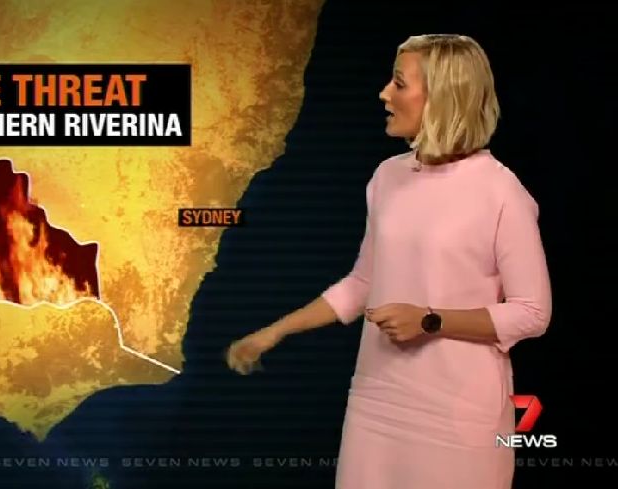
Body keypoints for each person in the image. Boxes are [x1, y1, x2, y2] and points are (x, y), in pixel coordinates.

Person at [225, 34, 551, 488]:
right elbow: (364, 282)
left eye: (399, 83)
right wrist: (274, 332)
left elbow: (532, 313)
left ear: (443, 96)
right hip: (376, 405)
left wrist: (430, 320)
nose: (384, 93)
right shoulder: (387, 177)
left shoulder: (501, 193)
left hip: (457, 419)